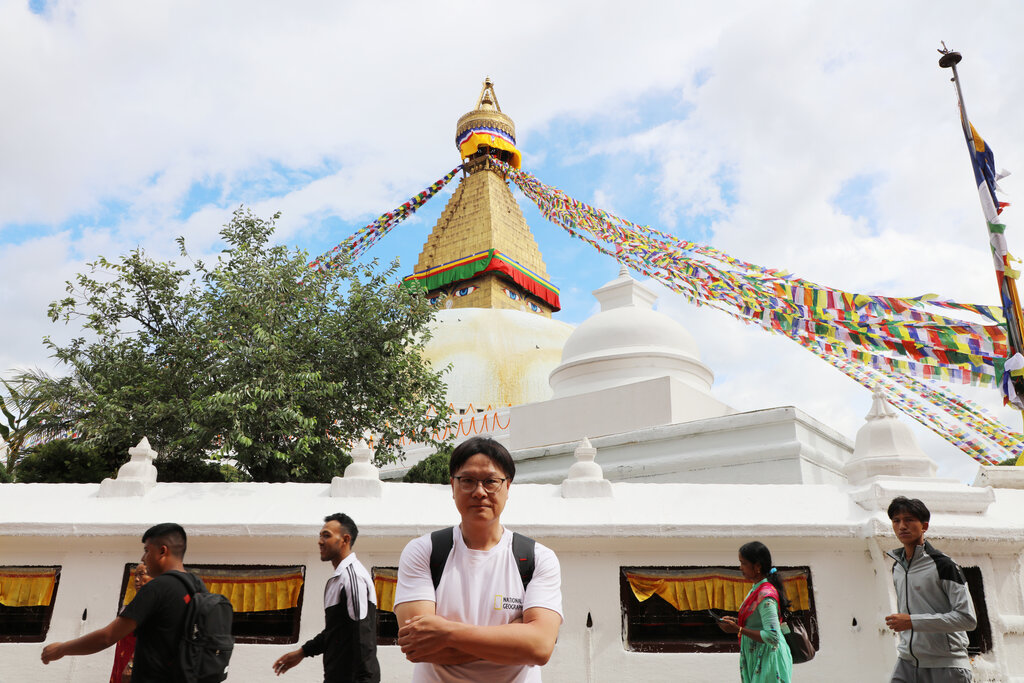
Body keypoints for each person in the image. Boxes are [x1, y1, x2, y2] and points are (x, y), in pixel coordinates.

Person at [394, 436, 563, 682]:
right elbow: (419, 648)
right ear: (453, 486)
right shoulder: (424, 551)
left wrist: (446, 631)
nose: (479, 492)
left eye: (491, 481)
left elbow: (539, 648)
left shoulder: (537, 558)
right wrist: (514, 635)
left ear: (508, 487)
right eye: (468, 481)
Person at [42, 522, 202, 682]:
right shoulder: (197, 586)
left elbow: (107, 637)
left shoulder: (158, 588)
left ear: (162, 551)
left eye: (147, 550)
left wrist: (61, 649)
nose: (143, 558)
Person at [273, 513, 380, 683]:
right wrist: (302, 652)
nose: (320, 541)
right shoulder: (339, 579)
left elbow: (362, 635)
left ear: (345, 540)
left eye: (326, 536)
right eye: (320, 536)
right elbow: (335, 632)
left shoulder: (353, 577)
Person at [885, 496, 976, 682]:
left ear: (924, 526)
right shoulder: (897, 567)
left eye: (909, 520)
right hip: (907, 663)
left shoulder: (944, 565)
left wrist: (912, 621)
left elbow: (967, 619)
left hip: (947, 665)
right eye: (896, 521)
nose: (902, 526)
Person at [717, 541, 792, 682]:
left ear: (757, 566)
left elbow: (772, 636)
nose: (740, 567)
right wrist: (736, 622)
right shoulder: (756, 588)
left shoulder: (766, 596)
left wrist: (738, 629)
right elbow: (757, 620)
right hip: (758, 655)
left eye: (744, 563)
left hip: (768, 659)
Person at [109, 562, 153, 682]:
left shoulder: (152, 605)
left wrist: (132, 664)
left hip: (137, 666)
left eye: (142, 574)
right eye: (135, 575)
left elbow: (149, 638)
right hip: (122, 660)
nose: (137, 579)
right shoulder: (134, 604)